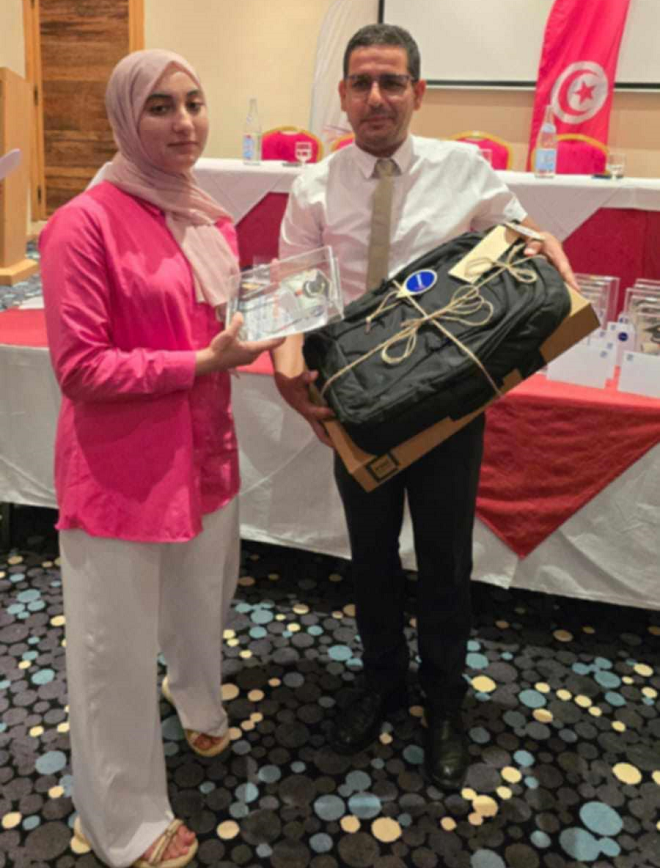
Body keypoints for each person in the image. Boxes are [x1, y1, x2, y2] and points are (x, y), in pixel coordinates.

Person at [273, 24, 577, 791]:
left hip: (447, 403)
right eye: (362, 83)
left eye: (392, 82)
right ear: (343, 95)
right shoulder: (314, 186)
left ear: (419, 91)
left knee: (445, 560)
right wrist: (284, 366)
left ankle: (444, 698)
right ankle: (383, 680)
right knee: (370, 556)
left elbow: (522, 240)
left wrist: (543, 243)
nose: (376, 97)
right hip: (357, 408)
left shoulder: (463, 169)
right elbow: (297, 291)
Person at [40, 50, 282, 868]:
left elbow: (223, 322)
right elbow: (80, 369)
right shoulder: (84, 223)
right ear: (124, 118)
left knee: (200, 604)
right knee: (113, 649)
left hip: (205, 452)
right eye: (160, 107)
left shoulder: (207, 217)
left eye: (194, 103)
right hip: (123, 471)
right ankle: (124, 821)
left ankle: (195, 699)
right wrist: (201, 362)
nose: (184, 123)